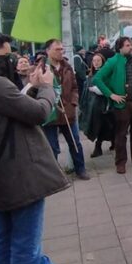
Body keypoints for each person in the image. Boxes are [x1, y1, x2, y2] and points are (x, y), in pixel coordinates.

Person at [0, 30, 71, 264]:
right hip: (20, 173)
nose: (12, 60)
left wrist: (32, 87)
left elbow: (11, 111)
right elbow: (38, 113)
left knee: (3, 240)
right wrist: (47, 88)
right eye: (7, 55)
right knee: (26, 246)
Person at [92, 37, 132, 174]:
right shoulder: (113, 61)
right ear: (119, 48)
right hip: (123, 104)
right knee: (121, 134)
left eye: (131, 45)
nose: (130, 47)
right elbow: (97, 79)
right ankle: (120, 163)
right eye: (127, 45)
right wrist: (111, 95)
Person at [41, 39, 89, 180]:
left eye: (62, 49)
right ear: (48, 51)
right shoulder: (41, 68)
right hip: (50, 113)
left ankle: (80, 169)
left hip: (68, 112)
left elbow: (74, 87)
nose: (61, 52)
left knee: (75, 142)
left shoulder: (67, 67)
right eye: (57, 49)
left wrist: (73, 103)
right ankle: (55, 176)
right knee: (52, 146)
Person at [80, 53, 112, 157]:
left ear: (103, 62)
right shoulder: (90, 75)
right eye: (94, 61)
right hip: (92, 105)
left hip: (103, 105)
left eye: (98, 60)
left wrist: (96, 90)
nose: (96, 63)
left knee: (103, 125)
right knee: (97, 125)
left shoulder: (106, 74)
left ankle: (99, 146)